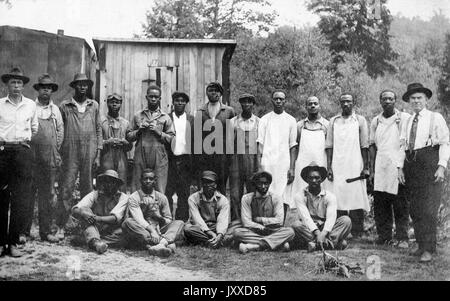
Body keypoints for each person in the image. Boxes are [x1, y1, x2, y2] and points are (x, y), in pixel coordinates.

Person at [398, 83, 450, 262]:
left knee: (429, 209)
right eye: (412, 98)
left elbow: (445, 143)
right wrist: (400, 168)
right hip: (411, 164)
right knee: (415, 209)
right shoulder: (407, 120)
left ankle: (429, 248)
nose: (416, 101)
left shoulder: (436, 118)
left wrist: (441, 166)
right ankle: (421, 246)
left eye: (419, 97)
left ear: (426, 99)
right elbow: (402, 145)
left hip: (430, 163)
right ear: (409, 101)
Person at [57, 73, 103, 239]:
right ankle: (60, 226)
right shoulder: (65, 105)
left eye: (85, 84)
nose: (83, 87)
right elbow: (59, 130)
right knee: (66, 188)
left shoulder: (94, 105)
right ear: (74, 86)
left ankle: (87, 226)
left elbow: (98, 129)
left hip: (89, 150)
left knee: (88, 189)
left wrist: (98, 153)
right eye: (79, 84)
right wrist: (59, 152)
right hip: (70, 151)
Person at [0, 67, 38, 257]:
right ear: (7, 84)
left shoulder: (31, 105)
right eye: (13, 82)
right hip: (3, 152)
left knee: (20, 198)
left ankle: (13, 242)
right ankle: (0, 243)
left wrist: (24, 142)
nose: (16, 86)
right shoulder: (0, 104)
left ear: (23, 86)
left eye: (19, 83)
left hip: (23, 152)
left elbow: (34, 128)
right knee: (1, 197)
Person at [25, 74, 64, 243]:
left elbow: (60, 132)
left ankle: (46, 232)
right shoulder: (30, 107)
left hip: (49, 159)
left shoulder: (55, 110)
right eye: (43, 88)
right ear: (38, 90)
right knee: (27, 194)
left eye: (48, 88)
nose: (46, 91)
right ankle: (24, 232)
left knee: (47, 196)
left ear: (51, 91)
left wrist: (54, 149)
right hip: (31, 157)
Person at [369, 90, 410, 248]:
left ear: (395, 101)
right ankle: (384, 236)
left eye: (390, 99)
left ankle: (402, 237)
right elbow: (372, 145)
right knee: (380, 202)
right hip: (381, 165)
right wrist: (372, 169)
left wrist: (402, 167)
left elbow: (406, 144)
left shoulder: (403, 119)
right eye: (384, 99)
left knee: (400, 203)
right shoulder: (376, 121)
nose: (387, 101)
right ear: (380, 101)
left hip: (397, 165)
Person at [326, 93, 370, 238]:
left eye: (348, 102)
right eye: (343, 102)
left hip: (355, 162)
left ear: (353, 103)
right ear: (340, 103)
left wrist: (365, 167)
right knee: (338, 195)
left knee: (356, 194)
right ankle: (341, 230)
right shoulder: (333, 121)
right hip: (338, 163)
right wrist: (329, 167)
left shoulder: (360, 120)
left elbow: (364, 145)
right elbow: (329, 145)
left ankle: (357, 230)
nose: (346, 104)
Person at [122, 169, 185, 258]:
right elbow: (138, 219)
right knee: (127, 222)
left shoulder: (162, 197)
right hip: (143, 230)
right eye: (145, 179)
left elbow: (168, 220)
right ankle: (165, 243)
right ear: (141, 180)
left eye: (151, 179)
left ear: (155, 181)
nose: (148, 181)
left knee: (179, 223)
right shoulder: (134, 197)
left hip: (160, 229)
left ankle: (158, 244)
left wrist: (158, 217)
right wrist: (152, 231)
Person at [292, 162, 351, 252]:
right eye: (311, 178)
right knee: (296, 225)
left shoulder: (330, 196)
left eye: (317, 178)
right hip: (310, 229)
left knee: (346, 220)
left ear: (322, 179)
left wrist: (323, 233)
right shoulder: (299, 196)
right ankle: (330, 244)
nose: (314, 181)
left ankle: (316, 245)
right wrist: (317, 233)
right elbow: (305, 218)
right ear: (307, 180)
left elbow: (331, 218)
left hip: (326, 229)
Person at [127, 85, 175, 193]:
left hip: (159, 155)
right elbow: (128, 136)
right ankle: (136, 208)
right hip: (141, 153)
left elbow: (172, 139)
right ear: (146, 97)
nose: (153, 99)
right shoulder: (138, 115)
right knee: (137, 185)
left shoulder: (165, 117)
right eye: (151, 96)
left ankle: (157, 209)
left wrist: (159, 133)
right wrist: (139, 131)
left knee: (159, 186)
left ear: (160, 98)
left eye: (156, 97)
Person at [257, 89, 297, 217]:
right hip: (268, 163)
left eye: (281, 99)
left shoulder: (291, 120)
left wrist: (292, 168)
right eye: (276, 98)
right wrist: (259, 166)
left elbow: (293, 146)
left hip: (283, 164)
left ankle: (280, 223)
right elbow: (260, 144)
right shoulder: (264, 119)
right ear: (272, 100)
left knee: (283, 194)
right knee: (267, 191)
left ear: (285, 101)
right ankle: (267, 223)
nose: (278, 101)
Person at [284, 96, 329, 209]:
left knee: (321, 194)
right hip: (302, 165)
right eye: (310, 104)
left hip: (321, 164)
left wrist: (330, 166)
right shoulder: (299, 125)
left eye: (315, 103)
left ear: (319, 106)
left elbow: (330, 148)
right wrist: (292, 168)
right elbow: (294, 147)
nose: (313, 106)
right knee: (301, 194)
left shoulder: (327, 125)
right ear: (306, 107)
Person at [233, 171, 294, 254]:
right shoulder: (247, 198)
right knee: (237, 233)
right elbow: (246, 222)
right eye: (260, 183)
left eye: (266, 183)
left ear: (269, 184)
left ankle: (254, 246)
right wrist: (258, 226)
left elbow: (279, 220)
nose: (263, 186)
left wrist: (261, 220)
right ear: (254, 184)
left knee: (290, 232)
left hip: (273, 230)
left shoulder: (276, 198)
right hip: (254, 231)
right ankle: (277, 243)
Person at [71, 170, 128, 254]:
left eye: (112, 182)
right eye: (106, 181)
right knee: (84, 209)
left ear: (117, 184)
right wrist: (84, 214)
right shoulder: (95, 194)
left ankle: (91, 239)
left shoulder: (123, 197)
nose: (109, 184)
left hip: (112, 229)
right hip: (95, 226)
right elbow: (75, 209)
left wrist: (96, 218)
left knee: (123, 235)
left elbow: (115, 218)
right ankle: (96, 242)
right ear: (103, 183)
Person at [194, 82, 235, 194]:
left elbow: (232, 135)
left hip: (222, 156)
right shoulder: (200, 111)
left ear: (221, 94)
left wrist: (229, 155)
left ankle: (221, 210)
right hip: (205, 156)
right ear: (207, 93)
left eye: (216, 91)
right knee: (205, 184)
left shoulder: (229, 111)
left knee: (221, 185)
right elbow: (196, 137)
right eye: (211, 90)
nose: (214, 93)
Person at [184, 171, 239, 248]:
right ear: (202, 184)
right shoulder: (193, 198)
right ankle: (218, 242)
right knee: (187, 229)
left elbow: (222, 220)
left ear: (215, 185)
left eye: (210, 182)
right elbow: (197, 219)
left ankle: (209, 241)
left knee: (236, 227)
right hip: (200, 228)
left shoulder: (223, 200)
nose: (207, 185)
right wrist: (209, 232)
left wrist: (220, 234)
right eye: (205, 182)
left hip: (215, 227)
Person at [228, 93, 260, 220]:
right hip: (236, 161)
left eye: (249, 102)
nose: (246, 104)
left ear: (253, 104)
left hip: (253, 161)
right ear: (240, 104)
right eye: (244, 102)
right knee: (235, 194)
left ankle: (252, 221)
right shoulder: (233, 122)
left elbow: (261, 145)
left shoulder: (259, 122)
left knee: (253, 193)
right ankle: (236, 221)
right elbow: (229, 145)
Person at [166, 91, 195, 221]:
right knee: (167, 192)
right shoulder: (167, 118)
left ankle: (181, 223)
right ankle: (166, 221)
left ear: (186, 103)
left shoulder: (191, 119)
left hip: (185, 161)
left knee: (183, 193)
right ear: (173, 102)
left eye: (183, 101)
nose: (180, 103)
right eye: (177, 100)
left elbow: (195, 141)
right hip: (169, 160)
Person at [100, 93, 131, 191]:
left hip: (121, 157)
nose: (114, 105)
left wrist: (125, 143)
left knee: (121, 183)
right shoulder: (101, 121)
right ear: (107, 103)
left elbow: (130, 145)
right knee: (106, 183)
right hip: (106, 155)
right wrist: (106, 142)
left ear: (121, 104)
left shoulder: (125, 123)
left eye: (117, 102)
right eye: (111, 102)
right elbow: (96, 140)